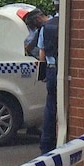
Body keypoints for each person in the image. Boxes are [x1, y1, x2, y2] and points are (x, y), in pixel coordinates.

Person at [23, 8, 59, 154]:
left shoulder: (45, 28)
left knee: (50, 108)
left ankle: (46, 146)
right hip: (65, 69)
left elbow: (42, 53)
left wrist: (42, 73)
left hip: (51, 69)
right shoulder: (63, 23)